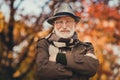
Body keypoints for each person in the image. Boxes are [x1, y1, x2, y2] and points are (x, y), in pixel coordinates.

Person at [36, 2, 99, 80]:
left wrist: (59, 57)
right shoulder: (44, 44)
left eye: (68, 21)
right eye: (60, 22)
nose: (64, 26)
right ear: (54, 25)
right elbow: (42, 71)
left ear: (74, 24)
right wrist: (75, 72)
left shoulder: (86, 47)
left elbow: (92, 67)